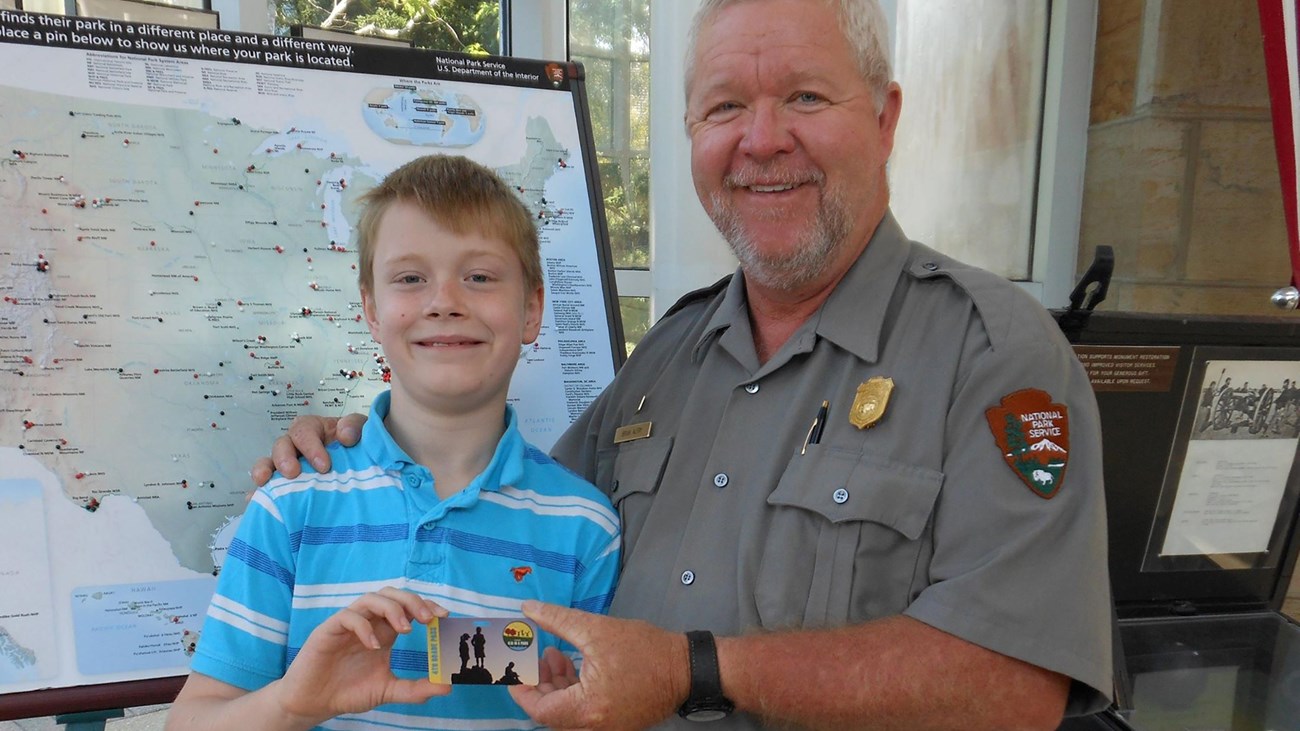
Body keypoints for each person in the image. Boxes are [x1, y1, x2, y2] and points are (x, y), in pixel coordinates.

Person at [254, 1, 1113, 728]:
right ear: (695, 134)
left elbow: (1014, 684)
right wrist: (365, 448)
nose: (762, 140)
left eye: (805, 97)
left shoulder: (992, 349)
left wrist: (693, 668)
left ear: (884, 120)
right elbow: (517, 549)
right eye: (726, 108)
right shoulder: (670, 355)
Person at [168, 155, 621, 731]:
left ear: (531, 309)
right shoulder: (293, 505)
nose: (444, 301)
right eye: (410, 278)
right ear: (372, 311)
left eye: (479, 276)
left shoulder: (584, 527)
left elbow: (589, 709)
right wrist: (292, 703)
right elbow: (192, 721)